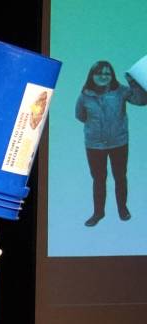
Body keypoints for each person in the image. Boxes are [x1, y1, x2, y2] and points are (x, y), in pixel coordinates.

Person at [75, 60, 147, 226]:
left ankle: (123, 209)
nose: (103, 76)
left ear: (112, 76)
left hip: (119, 143)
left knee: (120, 177)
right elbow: (80, 115)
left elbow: (142, 101)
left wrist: (133, 81)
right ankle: (98, 213)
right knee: (99, 179)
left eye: (107, 73)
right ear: (92, 75)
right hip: (94, 145)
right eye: (99, 73)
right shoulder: (84, 95)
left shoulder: (121, 91)